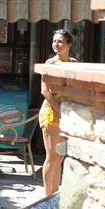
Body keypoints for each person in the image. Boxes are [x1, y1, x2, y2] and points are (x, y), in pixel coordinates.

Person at [40, 29, 77, 196]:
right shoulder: (50, 64)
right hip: (51, 112)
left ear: (69, 44)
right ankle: (46, 196)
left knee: (59, 157)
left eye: (60, 41)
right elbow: (45, 91)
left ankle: (54, 195)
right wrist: (61, 110)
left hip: (66, 113)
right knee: (51, 156)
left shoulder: (74, 63)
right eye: (54, 41)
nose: (56, 44)